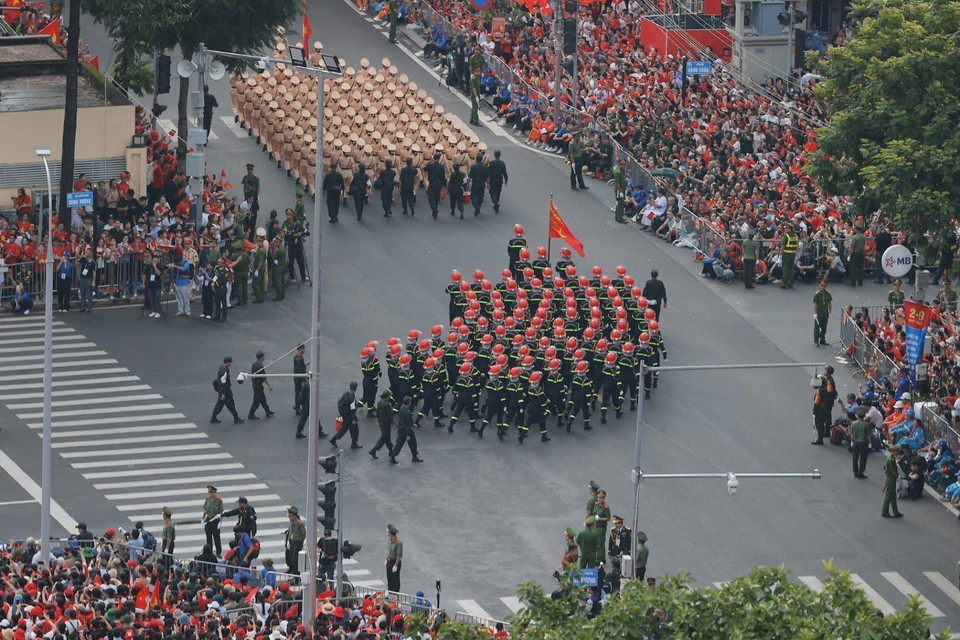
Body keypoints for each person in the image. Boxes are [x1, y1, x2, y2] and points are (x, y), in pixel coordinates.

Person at [211, 356, 244, 424]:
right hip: (225, 391)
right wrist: (223, 394)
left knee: (219, 404)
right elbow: (223, 383)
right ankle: (236, 418)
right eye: (230, 362)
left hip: (222, 390)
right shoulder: (224, 371)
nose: (231, 363)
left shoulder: (222, 367)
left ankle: (213, 417)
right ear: (228, 362)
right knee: (230, 404)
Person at [390, 395, 423, 463]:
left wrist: (412, 423)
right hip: (407, 431)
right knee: (413, 444)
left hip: (401, 430)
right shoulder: (408, 412)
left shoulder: (401, 409)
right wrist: (408, 435)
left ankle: (393, 457)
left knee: (398, 445)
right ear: (409, 403)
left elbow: (404, 420)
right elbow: (408, 424)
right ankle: (414, 457)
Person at [330, 381, 361, 449]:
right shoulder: (352, 398)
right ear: (356, 388)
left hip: (345, 415)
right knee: (355, 430)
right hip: (350, 416)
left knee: (344, 429)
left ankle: (334, 439)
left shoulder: (346, 393)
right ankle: (354, 443)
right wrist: (354, 419)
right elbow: (352, 409)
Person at [811, 365, 836, 445]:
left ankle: (821, 437)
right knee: (826, 418)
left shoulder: (823, 388)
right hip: (826, 405)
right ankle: (825, 432)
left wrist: (815, 410)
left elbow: (829, 393)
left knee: (820, 422)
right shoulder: (827, 382)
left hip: (823, 407)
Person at [247, 351, 275, 420]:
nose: (264, 357)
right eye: (263, 356)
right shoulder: (260, 366)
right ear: (261, 357)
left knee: (262, 398)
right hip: (258, 385)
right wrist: (269, 386)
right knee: (257, 400)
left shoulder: (254, 364)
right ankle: (251, 414)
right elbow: (264, 377)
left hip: (255, 384)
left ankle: (267, 411)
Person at [847, 406, 871, 478]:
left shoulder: (853, 424)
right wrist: (870, 443)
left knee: (855, 458)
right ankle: (861, 472)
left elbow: (852, 434)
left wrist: (851, 441)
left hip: (855, 442)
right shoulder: (866, 424)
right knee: (863, 458)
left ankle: (855, 472)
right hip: (863, 443)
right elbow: (868, 435)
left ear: (857, 415)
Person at [370, 391, 395, 459]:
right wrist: (394, 422)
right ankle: (373, 450)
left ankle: (390, 450)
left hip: (381, 423)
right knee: (384, 438)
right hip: (386, 423)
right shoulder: (387, 404)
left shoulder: (379, 402)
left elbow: (378, 413)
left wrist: (378, 421)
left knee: (387, 437)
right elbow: (389, 415)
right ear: (387, 397)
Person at [201, 485, 224, 557]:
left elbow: (221, 512)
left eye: (211, 492)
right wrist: (202, 518)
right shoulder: (207, 500)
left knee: (216, 537)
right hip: (208, 519)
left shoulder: (219, 501)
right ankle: (209, 552)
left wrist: (220, 522)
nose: (210, 494)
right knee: (208, 537)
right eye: (209, 492)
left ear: (215, 493)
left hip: (215, 520)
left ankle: (218, 552)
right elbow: (205, 510)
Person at [882, 446, 904, 518]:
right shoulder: (891, 460)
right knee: (888, 497)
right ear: (893, 451)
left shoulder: (890, 458)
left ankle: (895, 512)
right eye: (896, 451)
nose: (897, 452)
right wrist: (898, 477)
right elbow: (893, 471)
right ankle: (884, 511)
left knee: (893, 497)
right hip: (891, 479)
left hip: (890, 479)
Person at [284, 506, 306, 574]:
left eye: (290, 515)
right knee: (289, 557)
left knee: (295, 559)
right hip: (291, 541)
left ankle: (295, 572)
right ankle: (291, 569)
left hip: (297, 543)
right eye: (289, 515)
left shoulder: (300, 524)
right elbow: (290, 531)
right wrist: (288, 541)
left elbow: (303, 534)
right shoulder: (291, 522)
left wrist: (300, 540)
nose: (289, 517)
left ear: (295, 516)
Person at [424, 153, 447, 218]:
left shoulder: (430, 165)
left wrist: (430, 161)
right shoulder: (441, 166)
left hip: (432, 183)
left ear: (433, 158)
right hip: (438, 183)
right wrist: (442, 185)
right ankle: (435, 210)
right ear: (439, 159)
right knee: (437, 197)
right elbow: (443, 176)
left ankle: (434, 208)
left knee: (431, 197)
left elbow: (425, 168)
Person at [468, 151, 489, 216]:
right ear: (482, 159)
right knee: (480, 196)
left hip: (475, 184)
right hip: (482, 184)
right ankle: (478, 207)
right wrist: (488, 184)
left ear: (476, 159)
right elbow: (487, 177)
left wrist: (467, 183)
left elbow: (470, 176)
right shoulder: (485, 167)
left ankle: (476, 207)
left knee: (473, 196)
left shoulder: (473, 167)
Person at [813, 279, 832, 346]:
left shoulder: (828, 294)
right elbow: (815, 304)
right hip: (819, 312)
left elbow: (829, 303)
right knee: (817, 327)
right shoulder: (817, 294)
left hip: (825, 312)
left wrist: (830, 311)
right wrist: (815, 313)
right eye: (821, 285)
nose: (822, 287)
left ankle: (822, 339)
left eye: (824, 286)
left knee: (824, 326)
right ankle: (816, 340)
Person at [144, 254, 163, 318]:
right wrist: (143, 283)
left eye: (156, 260)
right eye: (154, 260)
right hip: (150, 284)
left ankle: (158, 312)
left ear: (158, 261)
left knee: (157, 299)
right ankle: (153, 311)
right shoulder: (148, 266)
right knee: (151, 299)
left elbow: (159, 273)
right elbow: (144, 274)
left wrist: (155, 267)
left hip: (157, 285)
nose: (155, 261)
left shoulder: (160, 266)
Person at [780, 223, 799, 288]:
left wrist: (780, 255)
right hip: (793, 254)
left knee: (785, 269)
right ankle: (791, 283)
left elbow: (782, 246)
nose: (784, 229)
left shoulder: (786, 236)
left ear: (789, 229)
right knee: (791, 269)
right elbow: (797, 246)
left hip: (786, 254)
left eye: (786, 228)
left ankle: (784, 284)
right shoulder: (795, 236)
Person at [77, 248, 96, 312]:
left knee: (89, 293)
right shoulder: (83, 260)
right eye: (86, 252)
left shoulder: (93, 262)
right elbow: (77, 263)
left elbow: (94, 272)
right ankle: (83, 306)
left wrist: (93, 281)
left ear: (91, 253)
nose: (86, 253)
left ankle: (89, 307)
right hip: (82, 278)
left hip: (89, 279)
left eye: (88, 252)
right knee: (82, 293)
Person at [269, 234, 287, 301]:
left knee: (278, 281)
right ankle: (282, 294)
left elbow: (274, 257)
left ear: (280, 242)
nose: (276, 244)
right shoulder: (284, 248)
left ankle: (279, 295)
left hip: (278, 267)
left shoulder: (278, 250)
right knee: (282, 281)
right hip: (283, 266)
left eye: (276, 242)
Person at [386, 524, 403, 592]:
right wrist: (386, 559)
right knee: (389, 579)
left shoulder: (398, 542)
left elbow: (399, 555)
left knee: (395, 580)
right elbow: (389, 550)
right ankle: (390, 594)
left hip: (395, 562)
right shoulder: (390, 540)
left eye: (388, 533)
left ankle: (395, 594)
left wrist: (395, 565)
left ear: (391, 533)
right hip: (389, 561)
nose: (388, 534)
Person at [293, 344, 307, 415]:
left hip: (298, 377)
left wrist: (305, 365)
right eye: (303, 349)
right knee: (300, 393)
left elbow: (301, 367)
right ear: (299, 349)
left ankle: (297, 406)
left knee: (298, 392)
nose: (304, 350)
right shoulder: (298, 359)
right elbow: (299, 370)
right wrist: (303, 380)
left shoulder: (299, 357)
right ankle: (297, 407)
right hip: (299, 379)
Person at [613, 158, 627, 223]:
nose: (623, 165)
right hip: (620, 189)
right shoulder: (618, 172)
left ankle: (617, 217)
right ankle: (619, 218)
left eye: (624, 164)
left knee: (620, 203)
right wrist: (620, 191)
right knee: (620, 204)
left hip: (623, 189)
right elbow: (617, 182)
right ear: (619, 164)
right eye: (621, 164)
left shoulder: (622, 171)